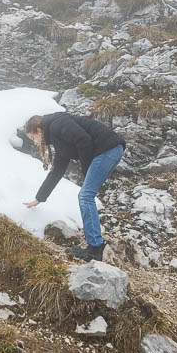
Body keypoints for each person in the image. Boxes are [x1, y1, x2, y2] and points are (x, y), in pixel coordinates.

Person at [22, 112, 125, 261]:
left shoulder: (57, 125)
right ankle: (95, 246)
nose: (35, 142)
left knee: (85, 196)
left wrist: (86, 170)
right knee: (86, 195)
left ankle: (95, 249)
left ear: (39, 130)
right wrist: (39, 198)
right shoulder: (57, 138)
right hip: (110, 150)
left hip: (107, 149)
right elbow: (57, 171)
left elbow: (84, 140)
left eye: (33, 138)